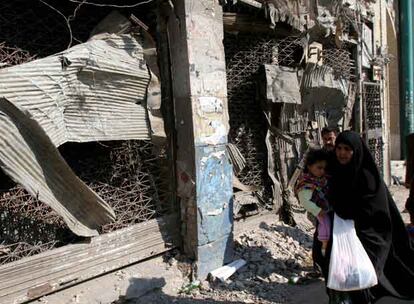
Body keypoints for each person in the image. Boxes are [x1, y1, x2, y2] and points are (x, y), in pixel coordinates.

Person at [316, 131, 414, 304]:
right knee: (334, 265)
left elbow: (371, 212)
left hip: (370, 232)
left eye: (347, 149)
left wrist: (341, 209)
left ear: (356, 151)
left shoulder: (368, 177)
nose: (342, 153)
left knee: (361, 271)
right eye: (339, 148)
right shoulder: (335, 170)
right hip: (342, 230)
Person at [295, 149, 331, 256]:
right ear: (310, 166)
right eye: (319, 168)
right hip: (321, 212)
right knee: (325, 228)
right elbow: (304, 201)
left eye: (324, 168)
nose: (322, 171)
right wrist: (317, 210)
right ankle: (324, 251)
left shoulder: (320, 179)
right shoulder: (306, 183)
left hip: (326, 208)